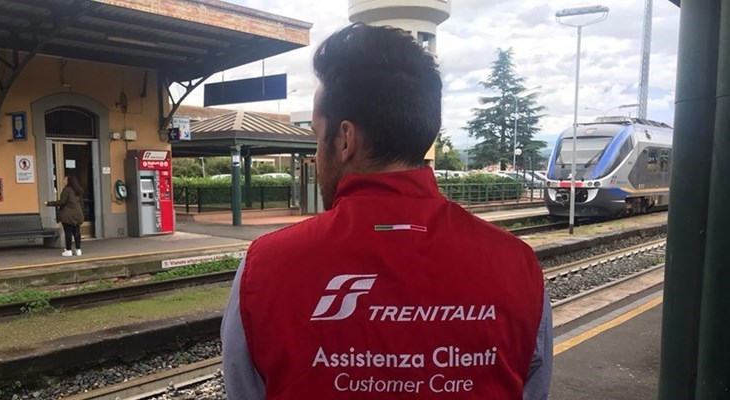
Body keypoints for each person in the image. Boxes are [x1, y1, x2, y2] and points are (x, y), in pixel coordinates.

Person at [221, 24, 552, 399]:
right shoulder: (518, 266)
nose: (316, 154)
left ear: (345, 139)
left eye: (317, 136)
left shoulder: (263, 268)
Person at [44, 174, 85, 257]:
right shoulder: (78, 191)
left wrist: (48, 203)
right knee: (77, 232)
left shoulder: (66, 190)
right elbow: (81, 204)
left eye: (65, 179)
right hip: (77, 215)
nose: (63, 181)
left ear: (69, 181)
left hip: (67, 215)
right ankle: (78, 250)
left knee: (68, 232)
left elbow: (61, 202)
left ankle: (68, 250)